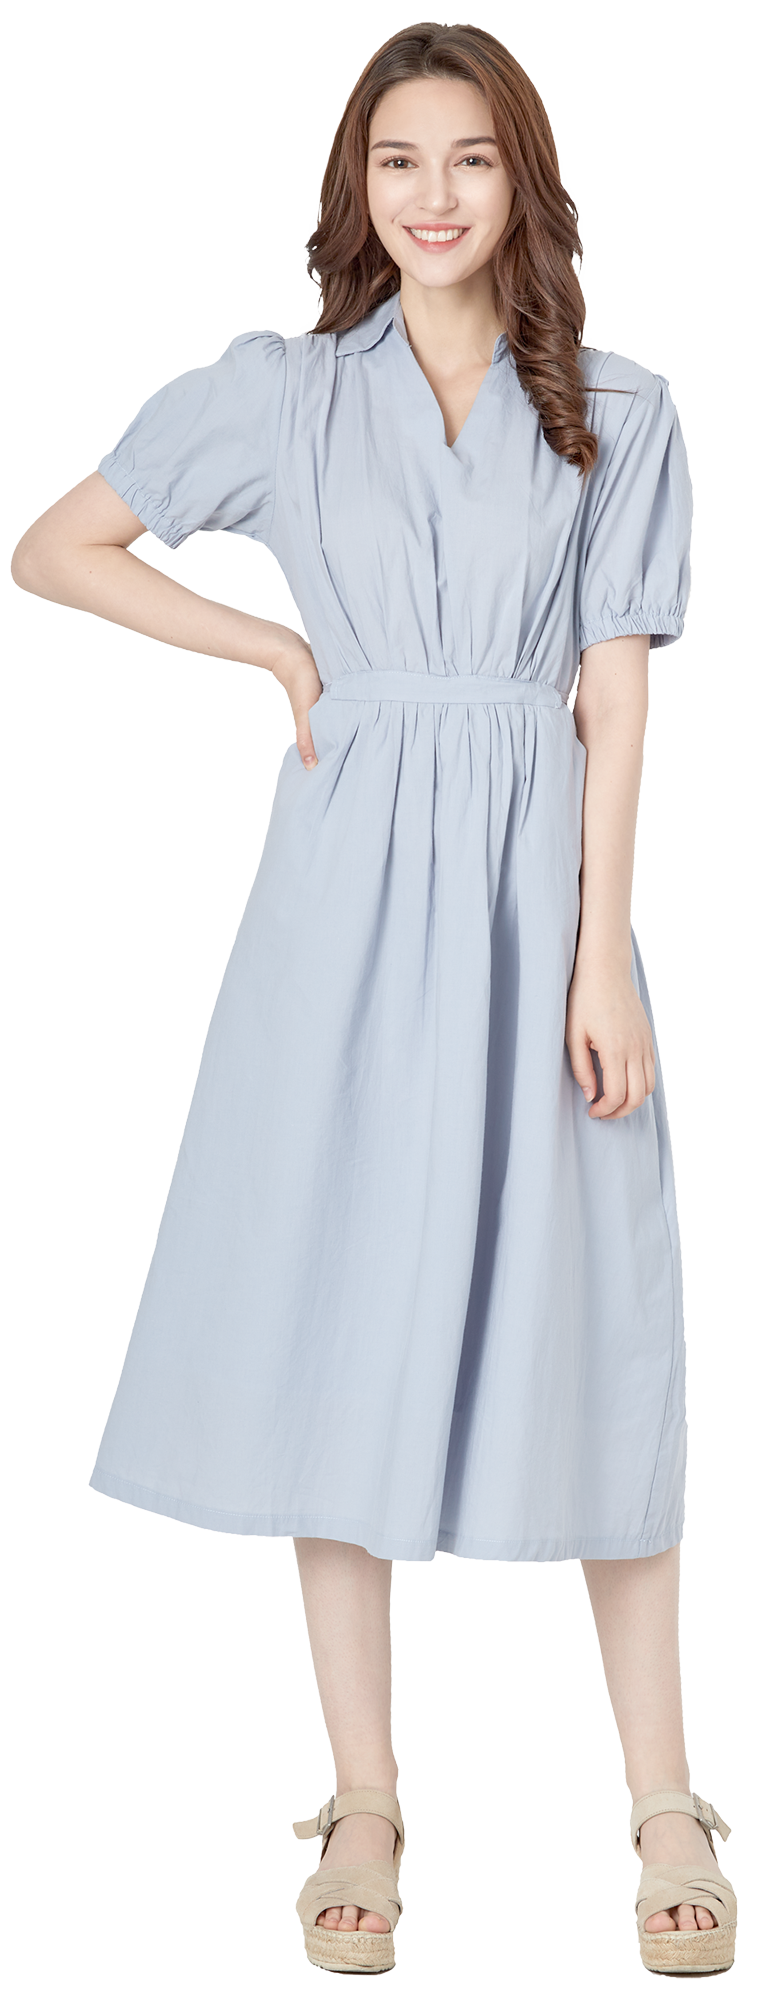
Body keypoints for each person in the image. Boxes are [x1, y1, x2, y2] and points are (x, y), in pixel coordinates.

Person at [12, 20, 736, 1980]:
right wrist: (265, 648)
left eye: (472, 158)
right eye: (399, 159)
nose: (434, 195)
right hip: (338, 903)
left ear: (523, 184)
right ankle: (362, 1794)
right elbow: (57, 547)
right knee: (339, 1315)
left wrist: (604, 951)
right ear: (356, 184)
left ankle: (663, 1797)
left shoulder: (617, 407)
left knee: (597, 1319)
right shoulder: (284, 393)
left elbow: (610, 692)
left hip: (536, 896)